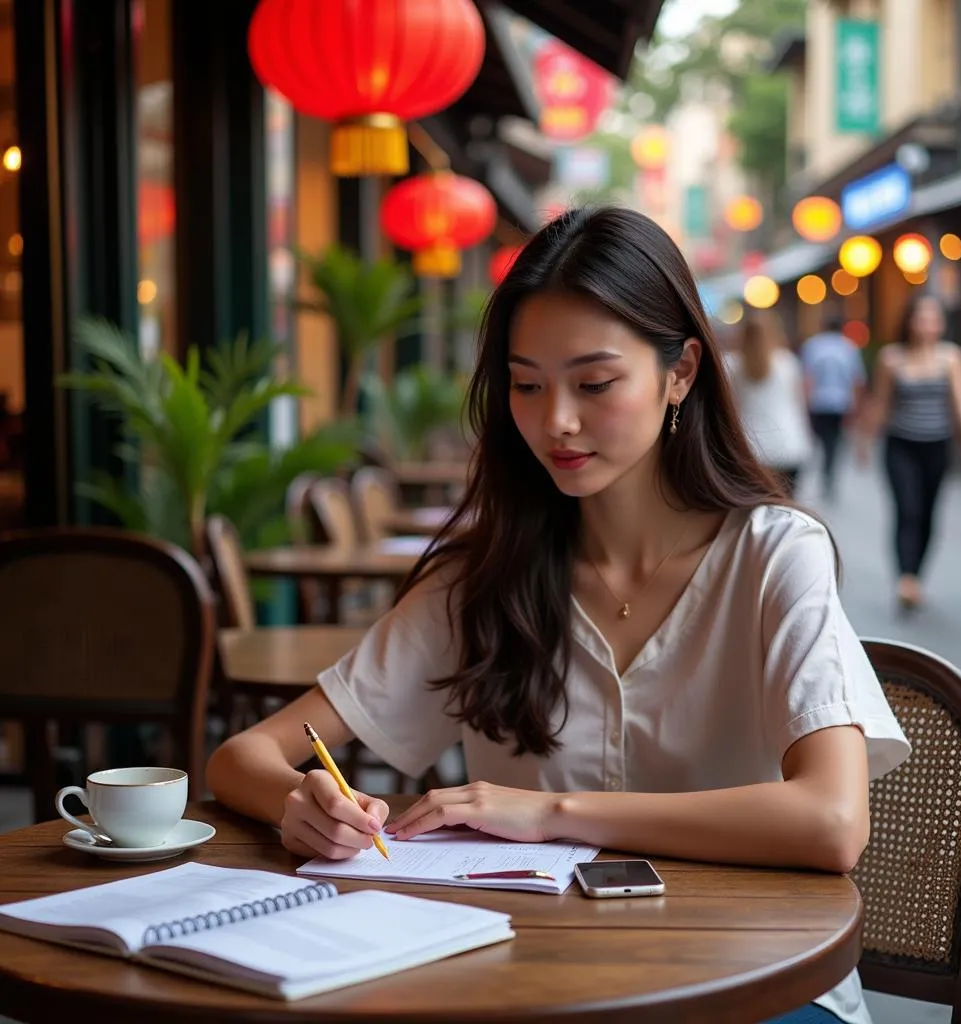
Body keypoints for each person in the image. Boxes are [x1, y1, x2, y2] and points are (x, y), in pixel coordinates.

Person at [207, 207, 910, 1024]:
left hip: (754, 980)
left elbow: (830, 821)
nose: (556, 422)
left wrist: (545, 812)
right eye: (528, 384)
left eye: (595, 383)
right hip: (541, 987)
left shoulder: (773, 554)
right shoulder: (487, 574)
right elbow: (242, 756)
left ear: (679, 372)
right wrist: (300, 805)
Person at [859, 294, 961, 611]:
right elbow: (881, 403)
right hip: (901, 444)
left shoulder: (951, 358)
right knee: (908, 509)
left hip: (937, 447)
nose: (928, 324)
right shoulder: (892, 358)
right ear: (909, 321)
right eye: (921, 317)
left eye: (933, 318)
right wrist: (865, 439)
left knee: (929, 513)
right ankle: (906, 578)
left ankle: (916, 573)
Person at [726, 309, 813, 497]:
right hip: (789, 443)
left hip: (751, 446)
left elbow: (730, 408)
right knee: (787, 510)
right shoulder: (787, 362)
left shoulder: (732, 365)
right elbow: (801, 403)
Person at [801, 313, 867, 500]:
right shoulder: (849, 347)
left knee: (818, 441)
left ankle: (821, 473)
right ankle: (828, 474)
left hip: (817, 402)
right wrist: (856, 407)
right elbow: (856, 380)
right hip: (841, 403)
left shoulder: (812, 345)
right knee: (834, 443)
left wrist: (804, 404)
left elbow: (807, 377)